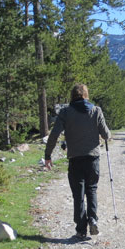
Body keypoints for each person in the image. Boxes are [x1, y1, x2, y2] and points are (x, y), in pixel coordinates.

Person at [44, 83, 111, 240]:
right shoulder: (96, 110)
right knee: (92, 189)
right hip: (93, 158)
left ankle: (81, 230)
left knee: (78, 195)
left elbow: (54, 134)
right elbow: (106, 134)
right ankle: (93, 219)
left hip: (75, 159)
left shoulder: (66, 112)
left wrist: (48, 155)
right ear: (86, 95)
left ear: (72, 96)